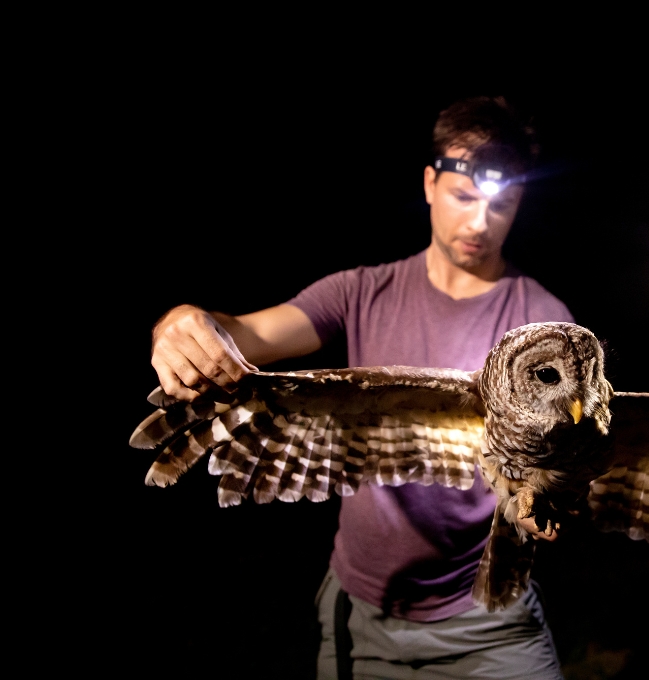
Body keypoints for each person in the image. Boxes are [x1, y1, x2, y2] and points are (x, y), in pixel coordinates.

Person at [149, 97, 572, 680]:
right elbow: (243, 335)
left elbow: (560, 462)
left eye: (500, 204)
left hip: (488, 616)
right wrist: (181, 321)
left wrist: (541, 498)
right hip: (363, 609)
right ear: (430, 184)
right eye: (464, 197)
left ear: (520, 201)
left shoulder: (543, 326)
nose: (479, 222)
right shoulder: (360, 293)